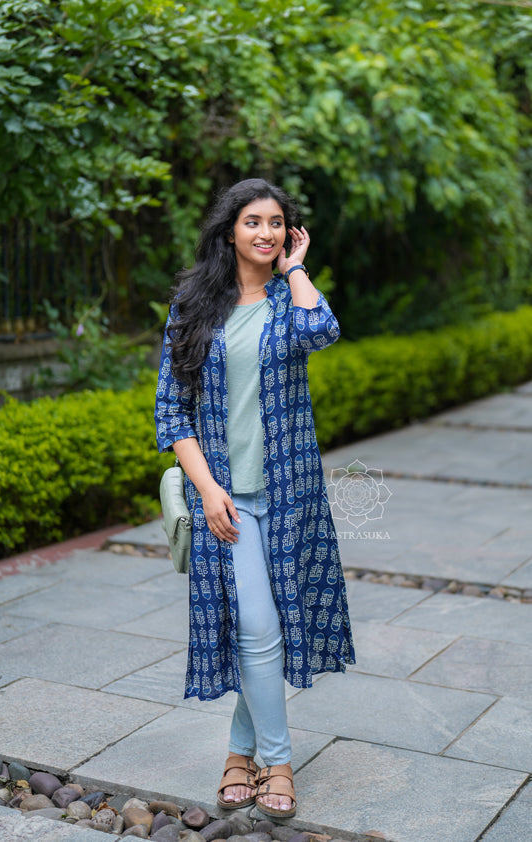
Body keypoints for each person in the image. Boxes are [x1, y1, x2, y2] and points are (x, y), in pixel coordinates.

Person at [155, 178, 355, 818]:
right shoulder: (192, 304)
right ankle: (280, 761)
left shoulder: (286, 301)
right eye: (252, 222)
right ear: (230, 230)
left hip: (288, 494)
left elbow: (322, 331)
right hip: (227, 500)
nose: (265, 233)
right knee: (256, 626)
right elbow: (171, 415)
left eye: (276, 224)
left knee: (266, 628)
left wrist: (296, 271)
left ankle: (240, 754)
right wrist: (208, 489)